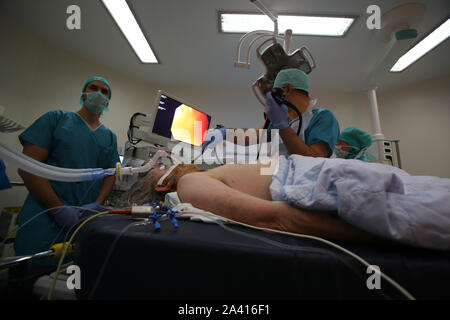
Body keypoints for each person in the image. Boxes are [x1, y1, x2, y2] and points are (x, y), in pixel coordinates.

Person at [118, 154, 450, 251]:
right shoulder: (190, 183)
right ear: (162, 186)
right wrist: (383, 238)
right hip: (326, 184)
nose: (172, 160)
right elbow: (279, 219)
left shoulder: (208, 174)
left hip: (320, 174)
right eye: (163, 164)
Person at [15, 76, 120, 261]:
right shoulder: (56, 119)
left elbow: (110, 175)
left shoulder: (109, 137)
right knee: (30, 272)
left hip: (82, 221)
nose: (98, 93)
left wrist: (96, 204)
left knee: (68, 276)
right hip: (43, 215)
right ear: (84, 94)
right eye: (93, 88)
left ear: (107, 102)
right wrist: (57, 209)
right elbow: (27, 167)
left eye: (104, 91)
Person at [202, 69, 340, 160]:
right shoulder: (282, 121)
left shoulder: (323, 118)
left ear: (287, 89)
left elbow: (315, 160)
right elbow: (254, 135)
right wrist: (224, 133)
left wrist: (283, 127)